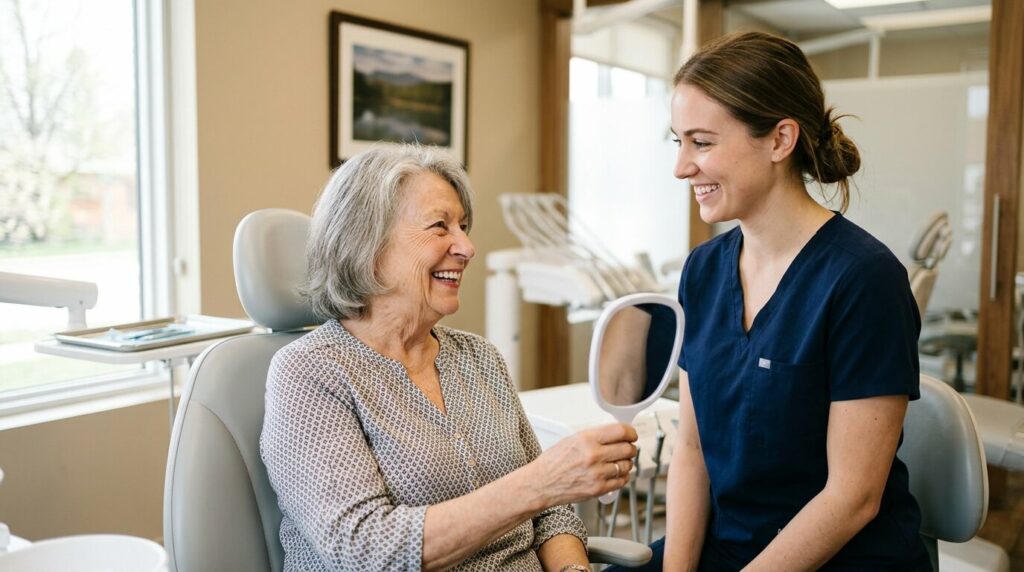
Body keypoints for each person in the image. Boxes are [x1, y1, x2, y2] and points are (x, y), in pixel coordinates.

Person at [619, 32, 930, 570]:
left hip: (841, 557)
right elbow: (692, 451)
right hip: (726, 545)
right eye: (679, 142)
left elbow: (852, 498)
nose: (682, 167)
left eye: (703, 142)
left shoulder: (863, 280)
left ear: (780, 139)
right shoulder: (704, 270)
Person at [260, 145, 639, 572]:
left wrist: (573, 569)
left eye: (462, 226)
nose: (466, 246)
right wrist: (539, 484)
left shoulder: (480, 358)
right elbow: (364, 549)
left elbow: (549, 512)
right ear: (367, 244)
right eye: (440, 226)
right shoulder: (311, 372)